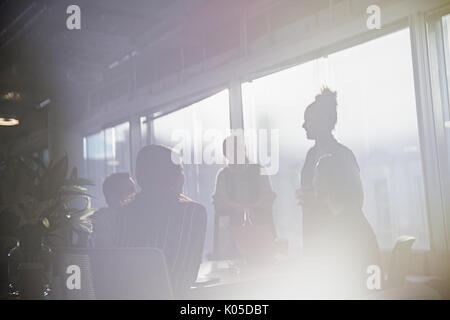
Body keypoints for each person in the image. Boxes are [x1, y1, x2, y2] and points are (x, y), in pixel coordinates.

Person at [296, 87, 379, 295]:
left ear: (322, 122)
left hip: (342, 244)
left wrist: (319, 200)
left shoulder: (343, 155)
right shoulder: (310, 157)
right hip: (321, 245)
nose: (303, 125)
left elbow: (356, 200)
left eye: (308, 120)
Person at [116, 145, 207, 298]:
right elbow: (188, 276)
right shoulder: (193, 212)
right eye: (181, 170)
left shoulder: (124, 212)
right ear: (175, 176)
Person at [213, 134, 277, 260]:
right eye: (230, 151)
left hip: (260, 230)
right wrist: (240, 208)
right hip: (233, 234)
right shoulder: (223, 175)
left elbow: (267, 197)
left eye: (237, 150)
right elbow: (220, 203)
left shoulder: (259, 170)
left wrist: (250, 207)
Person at [92, 172, 136, 248]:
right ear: (112, 194)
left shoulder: (136, 216)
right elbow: (105, 248)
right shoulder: (101, 218)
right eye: (129, 190)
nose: (134, 193)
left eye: (133, 189)